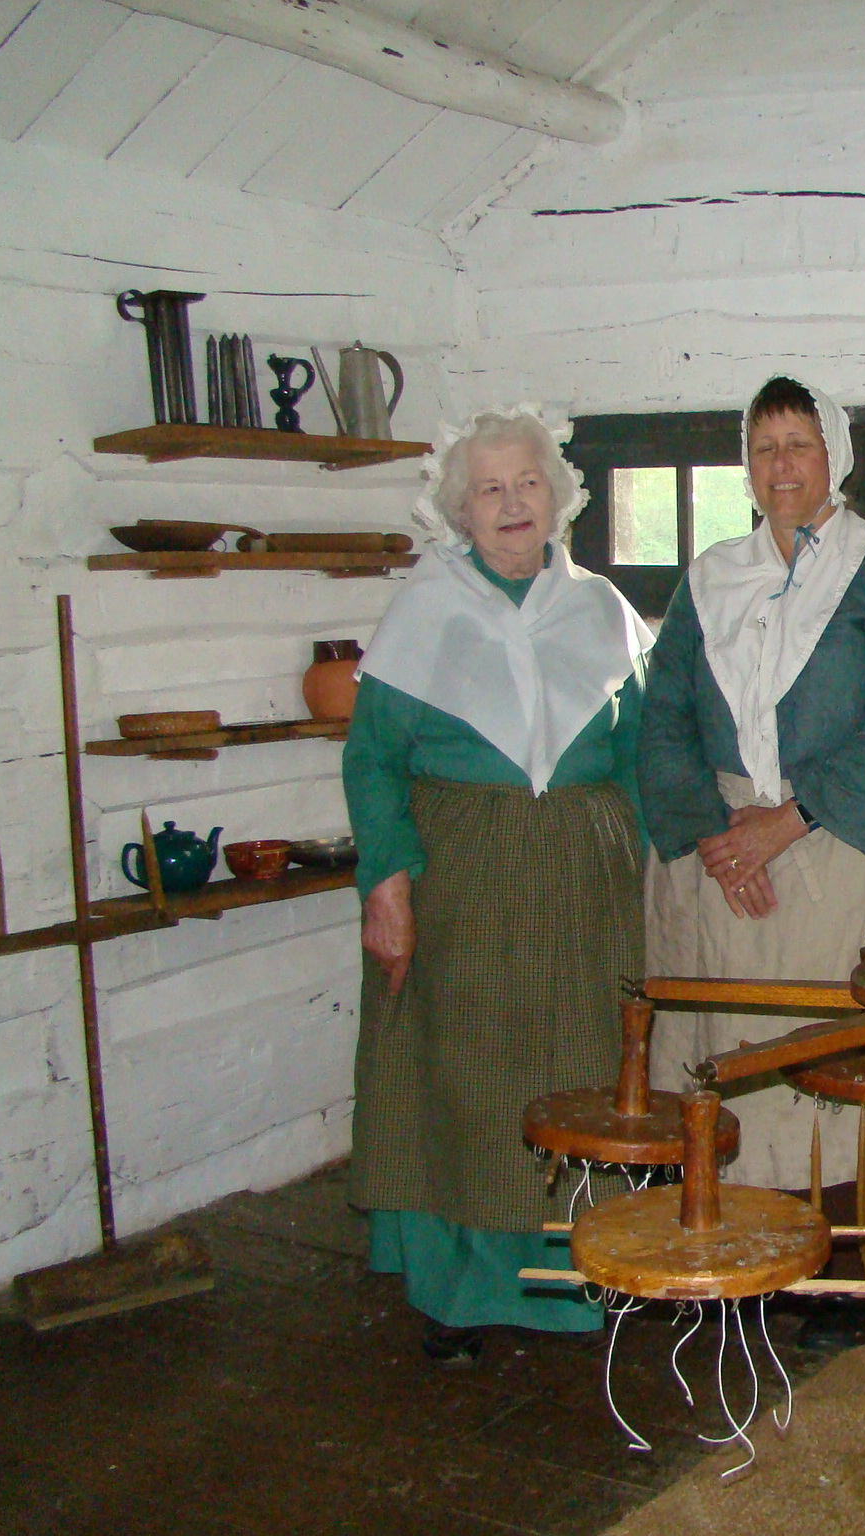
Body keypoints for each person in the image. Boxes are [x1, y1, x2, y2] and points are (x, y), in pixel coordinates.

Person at [639, 375, 865, 1337]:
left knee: (828, 1053)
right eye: (765, 445)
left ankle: (841, 1263)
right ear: (748, 464)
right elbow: (664, 719)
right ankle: (731, 1242)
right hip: (723, 849)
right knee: (727, 1053)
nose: (782, 464)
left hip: (840, 845)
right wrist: (714, 836)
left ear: (837, 461)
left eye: (801, 444)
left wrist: (786, 824)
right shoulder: (708, 580)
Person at [344, 405, 653, 1365]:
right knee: (462, 1080)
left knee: (582, 1073)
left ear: (557, 494)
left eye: (528, 483)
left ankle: (583, 1276)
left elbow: (639, 753)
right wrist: (386, 882)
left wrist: (637, 858)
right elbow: (371, 760)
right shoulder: (424, 610)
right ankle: (459, 1292)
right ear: (461, 510)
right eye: (491, 488)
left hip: (582, 890)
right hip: (462, 885)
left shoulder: (601, 607)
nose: (513, 503)